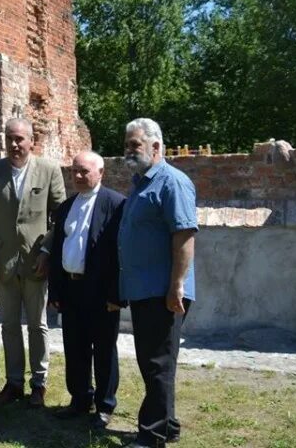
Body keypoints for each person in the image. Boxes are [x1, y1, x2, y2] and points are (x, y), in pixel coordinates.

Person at [0, 117, 66, 407]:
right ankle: (13, 383)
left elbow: (60, 216)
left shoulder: (48, 170)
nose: (14, 144)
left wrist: (47, 252)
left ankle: (39, 384)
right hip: (3, 263)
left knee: (37, 325)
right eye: (10, 138)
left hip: (37, 261)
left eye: (20, 139)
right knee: (10, 326)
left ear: (31, 141)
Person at [119, 118, 197, 448]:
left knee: (157, 364)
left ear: (156, 147)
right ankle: (170, 425)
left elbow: (184, 235)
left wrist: (176, 285)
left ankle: (151, 436)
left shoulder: (171, 182)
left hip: (163, 291)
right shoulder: (141, 184)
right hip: (144, 290)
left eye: (135, 145)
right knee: (155, 362)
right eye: (126, 145)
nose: (128, 151)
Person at [48, 151, 124, 428]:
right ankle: (80, 399)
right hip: (71, 287)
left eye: (84, 172)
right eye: (74, 172)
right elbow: (58, 249)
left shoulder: (116, 204)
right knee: (75, 347)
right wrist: (55, 291)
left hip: (101, 292)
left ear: (100, 172)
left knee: (104, 349)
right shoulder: (66, 206)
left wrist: (117, 294)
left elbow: (121, 254)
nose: (78, 177)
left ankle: (104, 405)